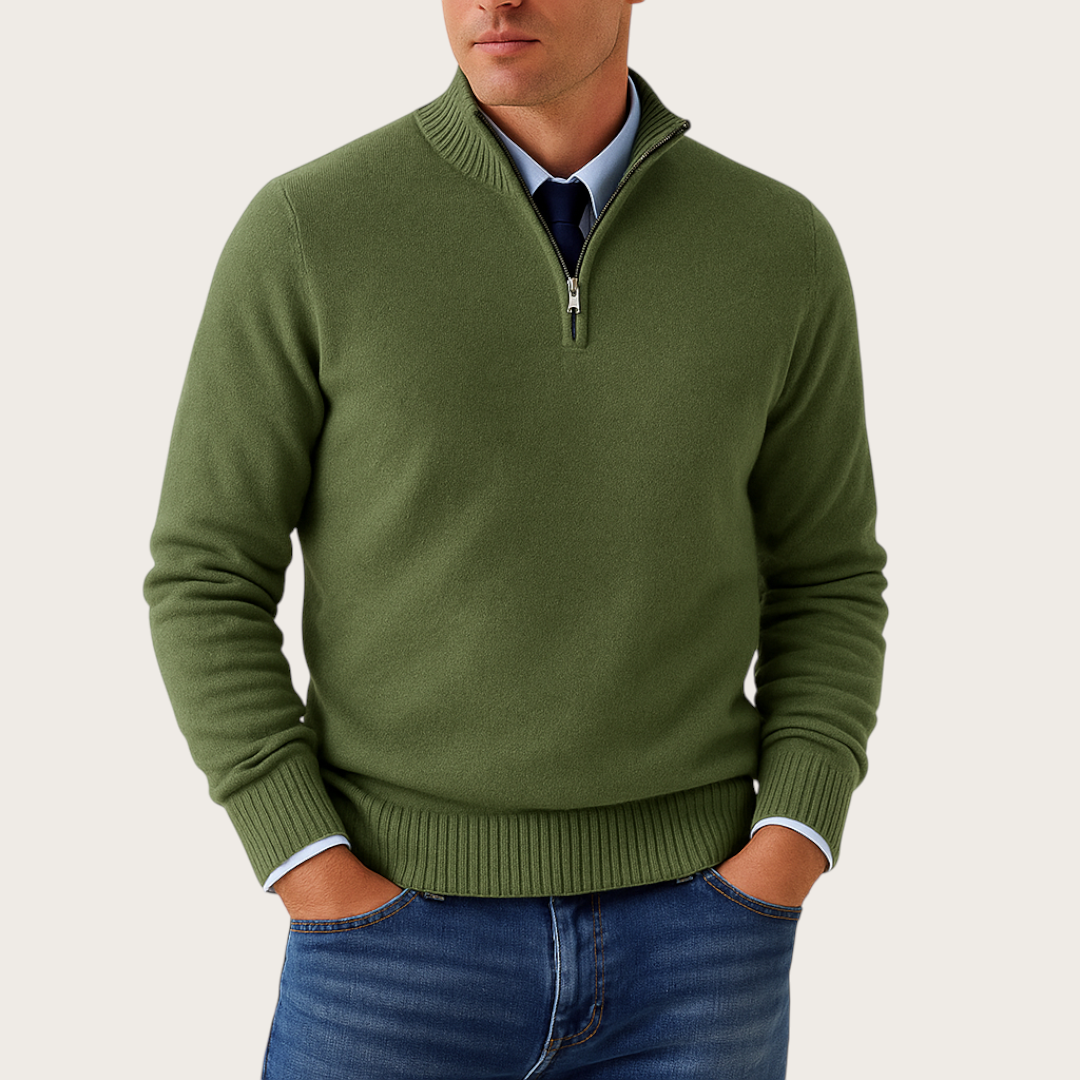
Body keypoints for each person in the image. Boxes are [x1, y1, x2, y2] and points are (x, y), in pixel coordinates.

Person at [144, 1, 887, 1076]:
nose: (495, 2)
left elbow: (828, 576)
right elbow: (206, 574)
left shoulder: (776, 246)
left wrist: (794, 841)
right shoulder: (311, 230)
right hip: (386, 944)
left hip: (697, 952)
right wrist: (303, 855)